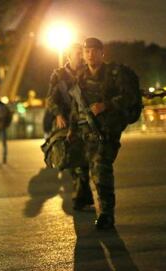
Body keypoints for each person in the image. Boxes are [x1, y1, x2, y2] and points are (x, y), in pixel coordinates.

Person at [68, 37, 138, 229]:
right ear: (83, 54)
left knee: (101, 167)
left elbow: (129, 97)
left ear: (102, 53)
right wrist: (72, 130)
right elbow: (77, 106)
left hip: (108, 130)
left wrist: (106, 105)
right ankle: (87, 200)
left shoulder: (114, 74)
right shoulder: (81, 77)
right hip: (86, 131)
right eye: (87, 51)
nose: (90, 55)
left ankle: (106, 213)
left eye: (94, 51)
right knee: (89, 168)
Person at [46, 43, 93, 211]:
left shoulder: (88, 73)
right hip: (66, 120)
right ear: (69, 57)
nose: (81, 56)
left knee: (87, 159)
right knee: (72, 158)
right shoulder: (58, 75)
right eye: (78, 53)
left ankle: (82, 197)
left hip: (85, 120)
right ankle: (79, 196)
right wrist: (58, 114)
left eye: (82, 53)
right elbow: (50, 99)